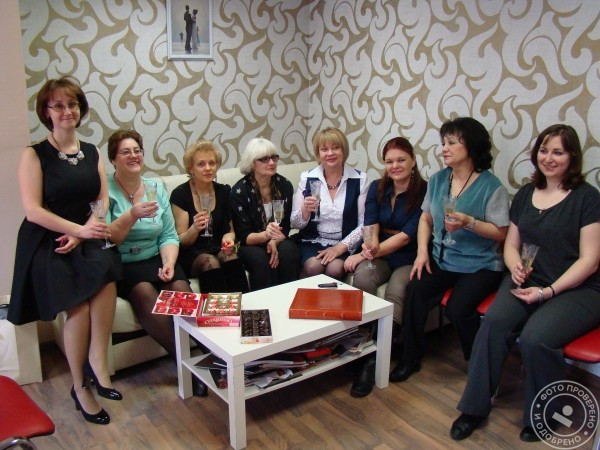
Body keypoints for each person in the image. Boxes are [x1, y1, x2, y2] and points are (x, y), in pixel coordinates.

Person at [450, 124, 600, 442]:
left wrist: (548, 292)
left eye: (558, 152)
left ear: (572, 157)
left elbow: (590, 261)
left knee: (535, 338)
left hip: (578, 288)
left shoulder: (588, 198)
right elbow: (511, 244)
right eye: (544, 150)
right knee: (493, 324)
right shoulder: (526, 194)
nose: (549, 158)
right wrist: (514, 267)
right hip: (529, 278)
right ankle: (474, 408)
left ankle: (543, 413)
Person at [8, 76, 121, 425]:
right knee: (79, 308)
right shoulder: (34, 154)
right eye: (58, 105)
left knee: (106, 278)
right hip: (48, 241)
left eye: (72, 104)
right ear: (46, 112)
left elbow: (102, 199)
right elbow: (33, 211)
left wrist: (85, 232)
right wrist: (76, 231)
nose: (67, 111)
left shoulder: (92, 151)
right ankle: (79, 386)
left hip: (85, 234)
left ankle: (98, 364)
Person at [391, 117, 510, 383]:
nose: (444, 148)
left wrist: (469, 222)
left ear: (471, 147)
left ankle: (480, 368)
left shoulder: (492, 187)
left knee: (457, 308)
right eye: (443, 142)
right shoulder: (437, 180)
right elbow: (425, 218)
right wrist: (422, 252)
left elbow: (501, 232)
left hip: (480, 265)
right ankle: (410, 358)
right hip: (442, 259)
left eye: (452, 143)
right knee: (415, 289)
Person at [105, 129, 208, 396]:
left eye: (137, 150)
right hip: (125, 261)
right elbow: (109, 238)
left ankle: (209, 353)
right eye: (125, 152)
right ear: (113, 159)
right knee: (144, 293)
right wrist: (131, 215)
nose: (134, 156)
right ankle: (185, 363)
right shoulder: (105, 190)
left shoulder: (155, 187)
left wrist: (169, 262)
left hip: (157, 256)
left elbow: (168, 235)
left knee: (181, 290)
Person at [344, 137, 427, 397]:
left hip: (409, 255)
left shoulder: (424, 190)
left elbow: (407, 236)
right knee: (362, 277)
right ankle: (360, 343)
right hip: (379, 250)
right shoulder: (377, 187)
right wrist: (368, 248)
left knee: (396, 290)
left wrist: (369, 252)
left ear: (413, 161)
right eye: (389, 161)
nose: (395, 166)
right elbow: (370, 223)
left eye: (401, 160)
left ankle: (373, 360)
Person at [170, 140, 249, 294]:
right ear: (191, 169)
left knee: (230, 256)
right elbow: (182, 241)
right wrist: (194, 228)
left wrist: (228, 240)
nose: (208, 168)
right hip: (192, 254)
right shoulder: (180, 194)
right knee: (210, 262)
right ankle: (214, 309)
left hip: (217, 247)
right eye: (201, 164)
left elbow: (230, 231)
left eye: (212, 163)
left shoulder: (224, 192)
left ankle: (242, 304)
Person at [291, 127, 369, 280]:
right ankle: (301, 294)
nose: (330, 153)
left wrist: (339, 249)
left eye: (335, 148)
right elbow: (295, 223)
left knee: (335, 269)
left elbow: (364, 224)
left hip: (344, 243)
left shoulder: (360, 179)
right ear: (318, 153)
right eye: (324, 149)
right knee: (313, 266)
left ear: (344, 150)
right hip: (313, 240)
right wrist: (305, 209)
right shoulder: (307, 177)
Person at [230, 137, 300, 290]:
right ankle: (264, 303)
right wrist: (266, 236)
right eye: (265, 159)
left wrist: (273, 241)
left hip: (278, 239)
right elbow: (244, 236)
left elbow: (285, 226)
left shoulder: (284, 185)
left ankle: (291, 298)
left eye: (274, 157)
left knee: (289, 251)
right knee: (260, 258)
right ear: (252, 163)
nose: (272, 162)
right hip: (250, 243)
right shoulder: (239, 191)